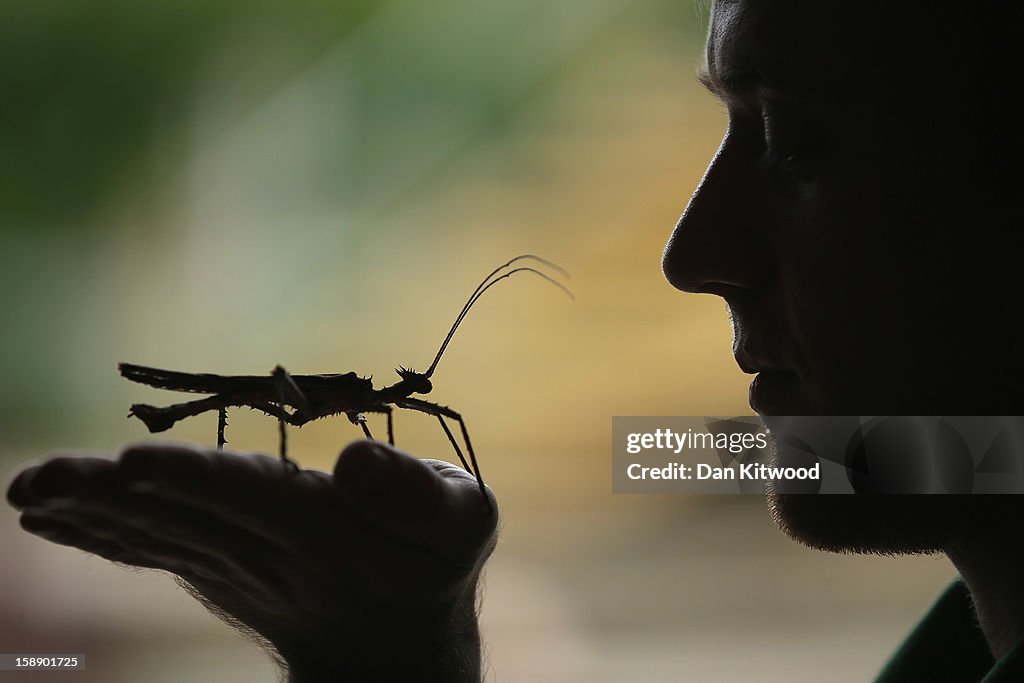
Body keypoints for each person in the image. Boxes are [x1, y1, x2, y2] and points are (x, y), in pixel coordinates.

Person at [6, 0, 1024, 680]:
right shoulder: (955, 639)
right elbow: (982, 453)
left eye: (797, 143)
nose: (692, 253)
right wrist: (397, 648)